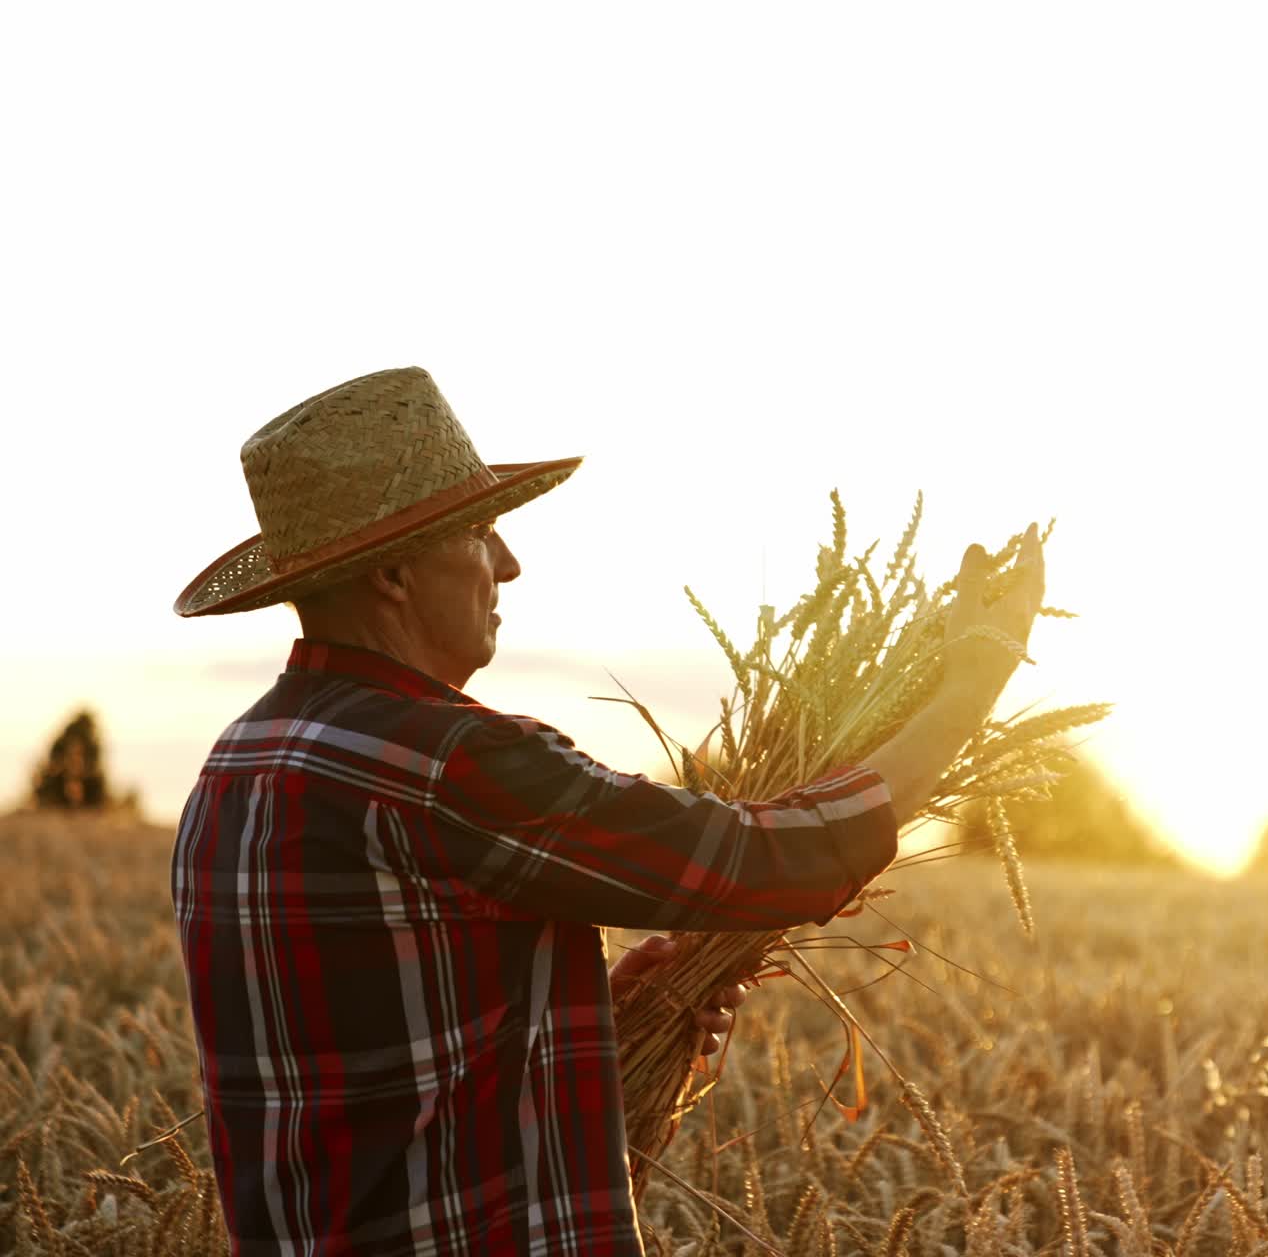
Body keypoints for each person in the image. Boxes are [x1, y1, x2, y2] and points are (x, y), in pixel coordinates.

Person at [171, 366, 1044, 1256]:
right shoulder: (452, 761)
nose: (508, 563)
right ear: (393, 574)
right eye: (479, 532)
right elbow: (763, 860)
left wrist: (585, 1012)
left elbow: (372, 1061)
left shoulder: (238, 766)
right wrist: (973, 681)